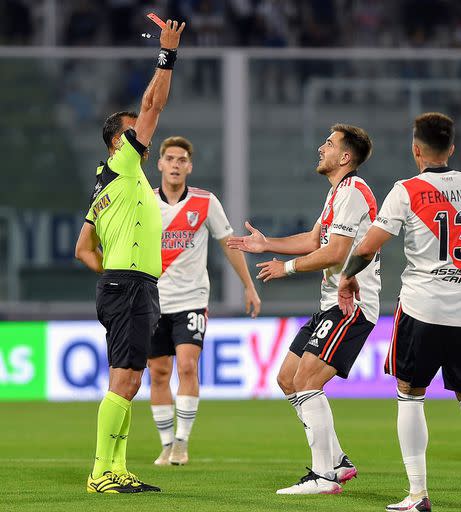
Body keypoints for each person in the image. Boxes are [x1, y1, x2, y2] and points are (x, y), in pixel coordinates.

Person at [338, 113, 461, 512]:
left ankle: (418, 494)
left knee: (410, 395)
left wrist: (347, 278)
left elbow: (369, 247)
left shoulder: (406, 190)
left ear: (415, 149)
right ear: (452, 148)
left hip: (421, 307)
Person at [227, 124, 380, 495]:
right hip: (330, 303)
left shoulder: (354, 192)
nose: (320, 149)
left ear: (345, 157)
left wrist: (287, 268)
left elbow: (336, 252)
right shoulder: (337, 194)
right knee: (288, 378)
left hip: (351, 306)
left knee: (308, 381)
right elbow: (314, 240)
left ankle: (323, 476)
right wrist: (268, 245)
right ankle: (338, 462)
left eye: (328, 144)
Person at [74, 19, 185, 494]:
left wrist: (113, 271)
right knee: (125, 380)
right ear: (119, 142)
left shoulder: (105, 185)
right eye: (133, 132)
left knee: (130, 378)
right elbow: (152, 103)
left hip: (124, 283)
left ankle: (115, 468)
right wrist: (167, 54)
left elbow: (82, 249)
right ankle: (102, 471)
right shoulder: (123, 165)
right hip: (129, 285)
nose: (142, 133)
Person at [148, 136, 262, 466]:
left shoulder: (205, 202)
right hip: (153, 301)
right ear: (160, 164)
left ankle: (182, 443)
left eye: (181, 159)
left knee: (186, 365)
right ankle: (166, 443)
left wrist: (248, 286)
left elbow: (229, 243)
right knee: (157, 373)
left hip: (191, 298)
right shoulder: (145, 202)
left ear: (189, 166)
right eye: (169, 158)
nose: (175, 164)